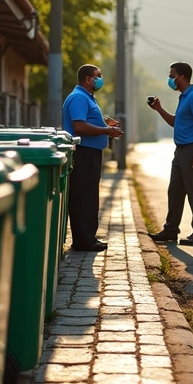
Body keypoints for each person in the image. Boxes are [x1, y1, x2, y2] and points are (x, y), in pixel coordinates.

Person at [62, 64, 123, 252]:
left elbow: (88, 120)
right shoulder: (79, 98)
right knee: (82, 198)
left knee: (89, 197)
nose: (101, 79)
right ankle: (83, 241)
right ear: (88, 79)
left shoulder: (87, 97)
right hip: (83, 152)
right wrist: (107, 130)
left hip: (91, 152)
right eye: (98, 76)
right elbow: (79, 126)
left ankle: (89, 237)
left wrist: (105, 123)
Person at [147, 62, 193, 245]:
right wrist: (159, 109)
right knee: (175, 191)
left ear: (181, 76)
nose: (170, 79)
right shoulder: (184, 97)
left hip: (191, 150)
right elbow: (176, 122)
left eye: (172, 75)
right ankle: (170, 229)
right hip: (180, 151)